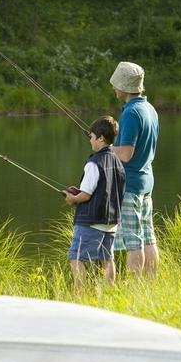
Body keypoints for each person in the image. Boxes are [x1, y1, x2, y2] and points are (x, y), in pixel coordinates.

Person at [110, 61, 159, 276]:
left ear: (123, 87)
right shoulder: (149, 109)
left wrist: (106, 149)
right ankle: (151, 282)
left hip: (130, 184)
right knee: (148, 235)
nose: (113, 88)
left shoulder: (130, 113)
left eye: (115, 84)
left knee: (132, 239)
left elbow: (126, 154)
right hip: (146, 180)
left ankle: (135, 287)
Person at [64, 115, 125, 290]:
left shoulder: (94, 163)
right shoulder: (118, 162)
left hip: (92, 222)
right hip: (111, 223)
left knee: (76, 257)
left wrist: (73, 198)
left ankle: (80, 294)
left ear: (100, 138)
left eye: (91, 137)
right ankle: (111, 292)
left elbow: (86, 195)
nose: (90, 140)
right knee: (107, 259)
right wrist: (80, 191)